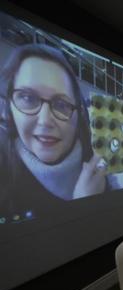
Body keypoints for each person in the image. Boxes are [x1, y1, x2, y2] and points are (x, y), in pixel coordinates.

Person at [0, 44, 107, 220]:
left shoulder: (96, 164)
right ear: (10, 107)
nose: (45, 121)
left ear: (78, 115)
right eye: (28, 98)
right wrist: (82, 207)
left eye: (61, 104)